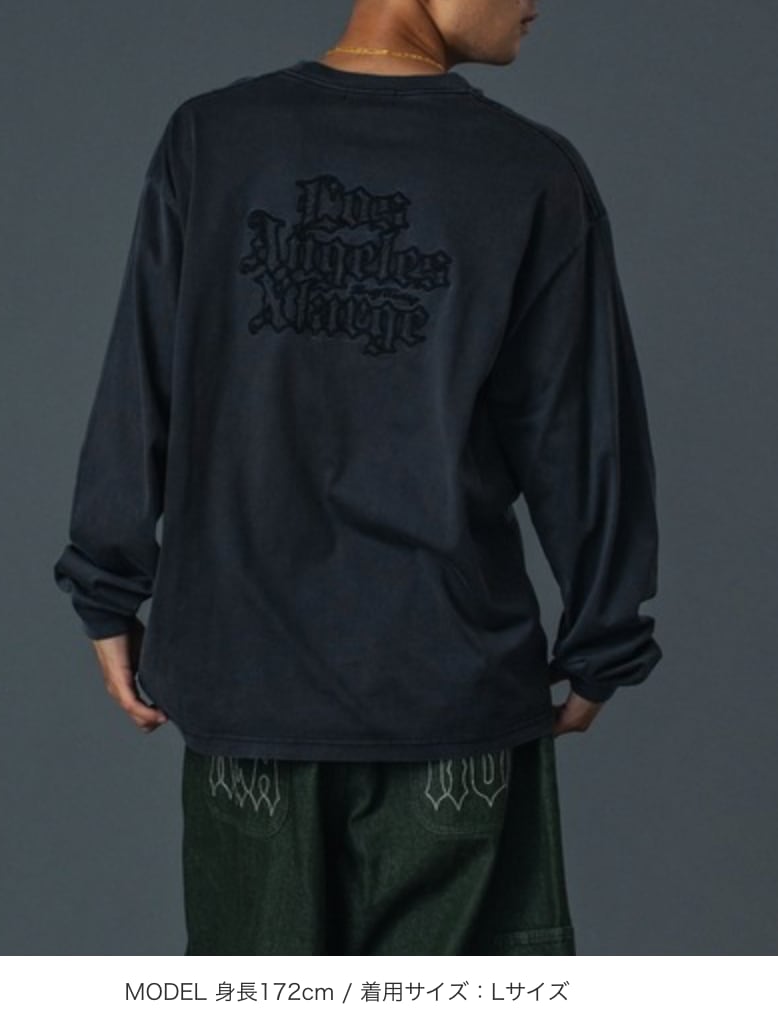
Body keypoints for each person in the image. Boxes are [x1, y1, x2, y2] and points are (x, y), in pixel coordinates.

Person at [53, 0, 662, 955]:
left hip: (245, 686)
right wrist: (603, 636)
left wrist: (107, 589)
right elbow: (580, 432)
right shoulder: (530, 171)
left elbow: (143, 382)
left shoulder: (213, 138)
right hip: (450, 690)